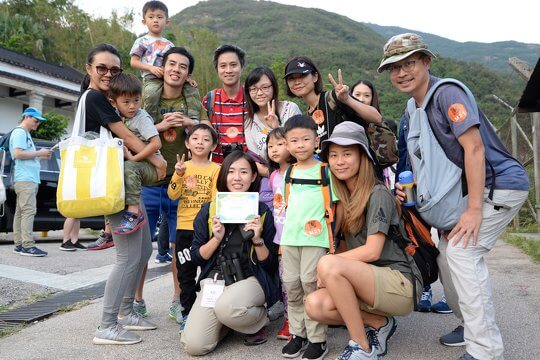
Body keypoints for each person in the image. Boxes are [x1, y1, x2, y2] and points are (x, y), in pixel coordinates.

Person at [379, 33, 529, 360]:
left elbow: (473, 149)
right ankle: (470, 327)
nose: (402, 72)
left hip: (498, 185)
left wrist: (474, 210)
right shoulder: (412, 107)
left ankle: (486, 350)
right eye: (394, 68)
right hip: (473, 192)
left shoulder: (447, 93)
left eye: (409, 63)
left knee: (461, 254)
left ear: (426, 62)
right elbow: (425, 160)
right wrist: (409, 187)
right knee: (448, 256)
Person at [304, 121, 422, 360]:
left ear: (363, 157)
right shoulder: (342, 198)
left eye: (347, 154)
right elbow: (347, 248)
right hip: (367, 280)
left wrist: (327, 266)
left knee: (328, 264)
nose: (339, 161)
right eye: (334, 155)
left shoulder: (377, 193)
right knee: (314, 304)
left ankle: (362, 346)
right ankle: (379, 322)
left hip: (399, 283)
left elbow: (372, 251)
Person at [81, 43, 164, 345]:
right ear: (89, 69)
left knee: (143, 251)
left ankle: (127, 312)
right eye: (101, 68)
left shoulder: (105, 100)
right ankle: (107, 324)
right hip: (114, 184)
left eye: (114, 69)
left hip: (125, 183)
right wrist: (158, 159)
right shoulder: (94, 98)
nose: (107, 73)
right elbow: (128, 136)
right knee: (127, 257)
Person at [137, 46, 209, 323]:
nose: (176, 69)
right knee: (141, 248)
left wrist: (189, 122)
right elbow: (131, 129)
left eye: (182, 66)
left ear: (188, 73)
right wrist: (159, 124)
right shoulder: (145, 98)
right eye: (172, 64)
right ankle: (137, 301)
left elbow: (207, 129)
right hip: (149, 181)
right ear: (162, 68)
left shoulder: (192, 100)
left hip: (183, 183)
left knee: (181, 247)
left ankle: (178, 301)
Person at [181, 151, 278, 355]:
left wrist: (258, 240)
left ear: (253, 177)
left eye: (244, 172)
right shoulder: (209, 211)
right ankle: (228, 322)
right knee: (195, 346)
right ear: (224, 175)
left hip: (250, 279)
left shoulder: (263, 212)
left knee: (228, 307)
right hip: (215, 280)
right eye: (231, 171)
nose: (237, 177)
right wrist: (216, 238)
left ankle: (260, 319)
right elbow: (197, 257)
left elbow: (270, 265)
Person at [280, 115, 340, 360]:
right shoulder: (289, 172)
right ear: (286, 144)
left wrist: (333, 238)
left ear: (316, 140)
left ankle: (317, 339)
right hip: (290, 238)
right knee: (291, 285)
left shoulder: (325, 170)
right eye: (294, 140)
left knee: (309, 284)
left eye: (306, 139)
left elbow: (337, 206)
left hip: (316, 238)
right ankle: (298, 334)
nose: (300, 145)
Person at [167, 123, 220, 331]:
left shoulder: (216, 169)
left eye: (206, 139)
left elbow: (216, 199)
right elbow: (172, 194)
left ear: (213, 146)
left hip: (205, 229)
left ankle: (209, 314)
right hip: (184, 229)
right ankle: (188, 312)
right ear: (187, 143)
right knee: (186, 273)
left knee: (208, 272)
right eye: (196, 138)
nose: (200, 142)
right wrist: (178, 174)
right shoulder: (183, 167)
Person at [105, 73, 162, 235]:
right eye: (126, 102)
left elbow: (156, 143)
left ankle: (133, 213)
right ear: (113, 102)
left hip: (151, 167)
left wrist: (132, 157)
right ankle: (108, 229)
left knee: (129, 166)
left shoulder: (141, 118)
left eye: (136, 100)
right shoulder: (115, 117)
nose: (132, 106)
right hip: (135, 167)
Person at [283, 56, 382, 147]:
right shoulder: (308, 115)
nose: (297, 82)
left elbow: (377, 118)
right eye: (291, 78)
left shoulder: (334, 98)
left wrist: (347, 99)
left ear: (315, 77)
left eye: (302, 76)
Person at [244, 66, 301, 210]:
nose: (259, 93)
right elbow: (256, 161)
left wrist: (276, 127)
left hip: (298, 177)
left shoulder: (290, 109)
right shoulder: (249, 122)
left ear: (274, 87)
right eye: (253, 89)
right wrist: (277, 174)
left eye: (265, 87)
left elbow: (300, 146)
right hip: (270, 182)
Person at [9, 107, 53, 257]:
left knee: (21, 212)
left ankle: (19, 244)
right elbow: (18, 153)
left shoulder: (24, 133)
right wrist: (39, 153)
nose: (37, 124)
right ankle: (28, 246)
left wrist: (40, 155)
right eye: (36, 121)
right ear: (26, 117)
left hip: (25, 178)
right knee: (28, 211)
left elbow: (24, 155)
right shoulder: (20, 132)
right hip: (26, 179)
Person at [266, 127, 296, 340]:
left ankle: (306, 320)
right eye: (270, 146)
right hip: (281, 239)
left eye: (280, 144)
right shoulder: (274, 175)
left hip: (301, 236)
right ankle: (289, 320)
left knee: (303, 281)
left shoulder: (299, 171)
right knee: (286, 283)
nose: (274, 149)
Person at [203, 44, 248, 163]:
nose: (228, 70)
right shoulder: (209, 99)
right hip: (217, 170)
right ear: (217, 69)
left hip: (248, 170)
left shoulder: (253, 98)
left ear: (241, 67)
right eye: (223, 66)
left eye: (233, 65)